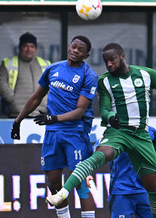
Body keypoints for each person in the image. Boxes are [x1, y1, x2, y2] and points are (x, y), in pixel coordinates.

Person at [46, 42, 156, 218]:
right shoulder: (104, 81)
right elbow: (103, 109)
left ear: (122, 56)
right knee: (99, 155)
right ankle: (63, 193)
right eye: (106, 62)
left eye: (112, 60)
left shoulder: (146, 74)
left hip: (140, 135)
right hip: (117, 133)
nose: (109, 65)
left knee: (154, 186)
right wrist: (110, 116)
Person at [10, 36, 98, 218]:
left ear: (86, 55)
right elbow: (36, 98)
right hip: (52, 134)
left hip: (75, 133)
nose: (75, 51)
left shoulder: (89, 76)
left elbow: (80, 110)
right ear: (68, 47)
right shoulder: (53, 69)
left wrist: (54, 118)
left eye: (80, 49)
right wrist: (18, 121)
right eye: (73, 47)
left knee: (80, 182)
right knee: (53, 182)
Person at [87, 126, 156, 218]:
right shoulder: (113, 132)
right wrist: (87, 172)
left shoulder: (151, 132)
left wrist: (153, 182)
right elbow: (95, 152)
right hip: (121, 191)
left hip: (146, 190)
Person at [0, 32, 51, 118]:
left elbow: (54, 85)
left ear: (36, 49)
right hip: (17, 114)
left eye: (32, 46)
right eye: (25, 46)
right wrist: (14, 100)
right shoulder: (8, 64)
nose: (29, 49)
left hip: (41, 114)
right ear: (20, 48)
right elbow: (0, 84)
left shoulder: (46, 64)